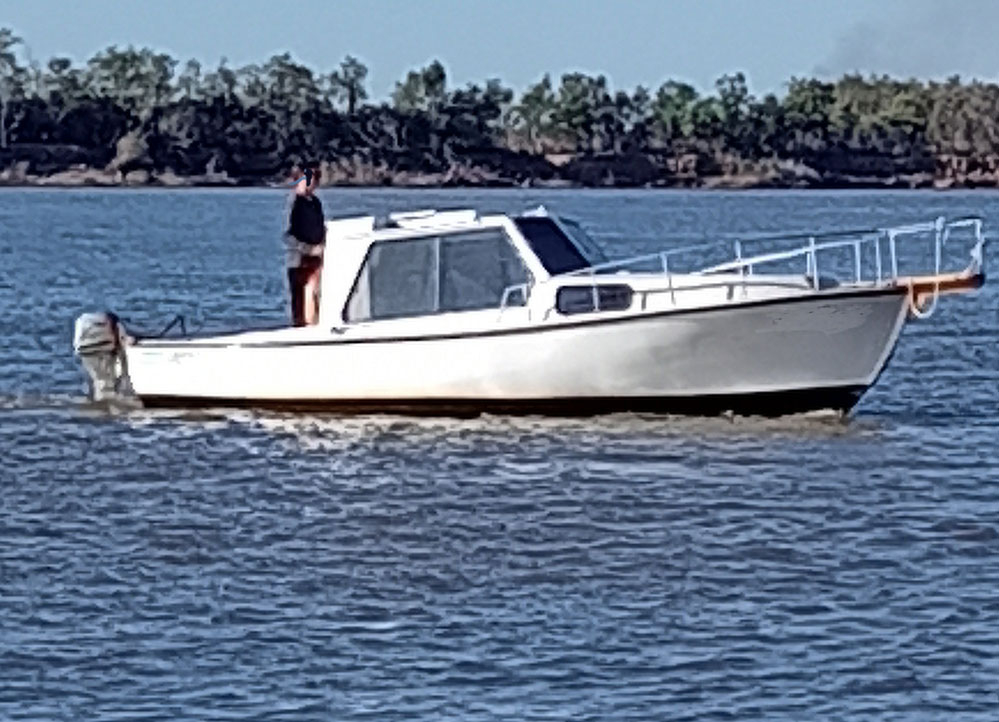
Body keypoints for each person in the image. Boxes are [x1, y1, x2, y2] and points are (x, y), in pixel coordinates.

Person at [285, 162, 325, 326]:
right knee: (301, 298)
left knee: (315, 296)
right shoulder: (295, 203)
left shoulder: (315, 203)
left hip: (317, 259)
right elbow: (289, 235)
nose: (312, 183)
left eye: (314, 179)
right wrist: (307, 249)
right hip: (300, 259)